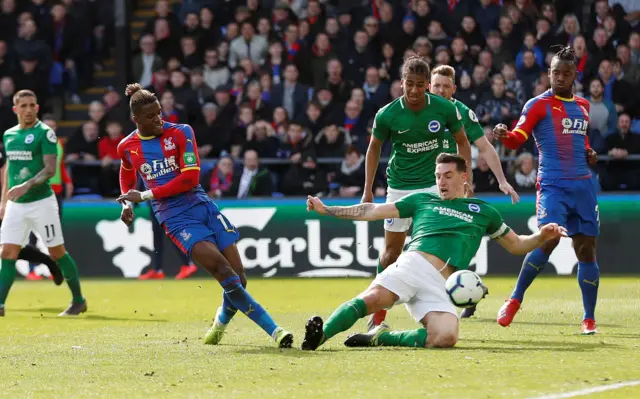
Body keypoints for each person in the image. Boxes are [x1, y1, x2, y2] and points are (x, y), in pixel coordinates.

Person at [301, 154, 566, 350]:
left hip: (443, 284)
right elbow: (372, 210)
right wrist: (329, 210)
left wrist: (542, 236)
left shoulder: (484, 211)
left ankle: (383, 336)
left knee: (446, 337)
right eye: (438, 176)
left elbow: (517, 244)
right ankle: (320, 336)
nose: (441, 182)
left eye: (448, 176)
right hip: (413, 265)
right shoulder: (421, 200)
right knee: (371, 299)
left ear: (464, 177)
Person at [116, 83, 293, 347]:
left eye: (159, 112)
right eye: (150, 116)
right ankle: (275, 331)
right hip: (174, 218)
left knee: (239, 279)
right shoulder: (127, 146)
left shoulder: (181, 132)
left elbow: (190, 178)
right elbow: (127, 169)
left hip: (201, 204)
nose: (158, 119)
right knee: (223, 270)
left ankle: (219, 323)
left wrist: (143, 196)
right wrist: (126, 203)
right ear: (136, 119)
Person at [492, 46, 600, 335]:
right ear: (549, 73)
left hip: (583, 186)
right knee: (547, 241)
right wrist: (505, 135)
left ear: (574, 75)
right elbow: (517, 139)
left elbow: (582, 141)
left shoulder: (583, 106)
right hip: (553, 185)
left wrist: (590, 153)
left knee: (586, 250)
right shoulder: (537, 104)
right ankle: (514, 299)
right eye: (555, 73)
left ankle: (589, 318)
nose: (560, 77)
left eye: (566, 73)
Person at [362, 55, 472, 331]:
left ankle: (442, 306)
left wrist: (463, 180)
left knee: (437, 251)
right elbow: (374, 149)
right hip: (399, 188)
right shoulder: (387, 114)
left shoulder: (443, 109)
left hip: (435, 187)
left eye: (419, 85)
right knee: (390, 254)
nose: (413, 90)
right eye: (408, 84)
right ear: (401, 83)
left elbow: (463, 142)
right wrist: (367, 191)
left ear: (427, 85)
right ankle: (377, 318)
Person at [430, 64, 521, 318]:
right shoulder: (418, 109)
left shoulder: (461, 113)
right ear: (429, 86)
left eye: (446, 86)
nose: (441, 90)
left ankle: (464, 288)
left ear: (454, 89)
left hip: (454, 186)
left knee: (452, 240)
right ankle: (466, 287)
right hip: (424, 183)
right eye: (436, 85)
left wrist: (501, 180)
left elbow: (485, 146)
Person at [0, 90, 85, 317]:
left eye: (32, 105)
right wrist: (3, 199)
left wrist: (26, 185)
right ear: (15, 109)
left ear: (37, 107)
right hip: (16, 205)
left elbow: (50, 169)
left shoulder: (45, 134)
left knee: (57, 253)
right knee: (7, 252)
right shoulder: (9, 135)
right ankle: (0, 305)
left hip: (41, 203)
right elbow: (9, 168)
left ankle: (78, 300)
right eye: (24, 106)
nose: (28, 110)